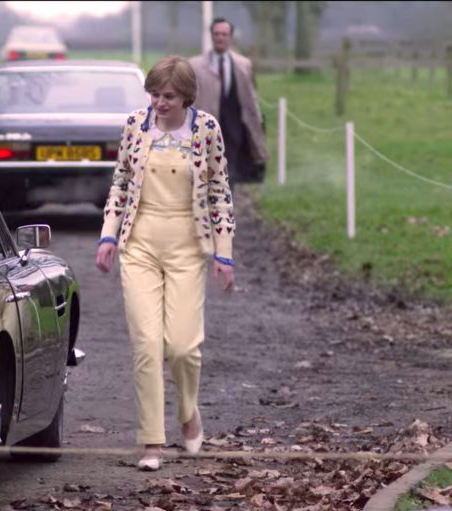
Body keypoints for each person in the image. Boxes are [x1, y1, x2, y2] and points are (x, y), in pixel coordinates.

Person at [95, 56, 236, 471]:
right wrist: (108, 233)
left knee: (182, 346)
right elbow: (120, 181)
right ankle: (151, 442)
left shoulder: (206, 129)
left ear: (186, 96)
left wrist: (223, 253)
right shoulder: (135, 126)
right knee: (146, 345)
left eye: (168, 96)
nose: (159, 102)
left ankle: (189, 413)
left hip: (188, 246)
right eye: (155, 94)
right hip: (138, 244)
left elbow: (219, 191)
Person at [189, 18, 268, 183]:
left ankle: (225, 206)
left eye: (224, 34)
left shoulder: (243, 65)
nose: (220, 38)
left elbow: (250, 100)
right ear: (211, 36)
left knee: (229, 174)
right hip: (206, 131)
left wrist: (257, 131)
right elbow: (189, 100)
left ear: (231, 37)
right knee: (204, 174)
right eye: (217, 34)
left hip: (234, 131)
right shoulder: (195, 66)